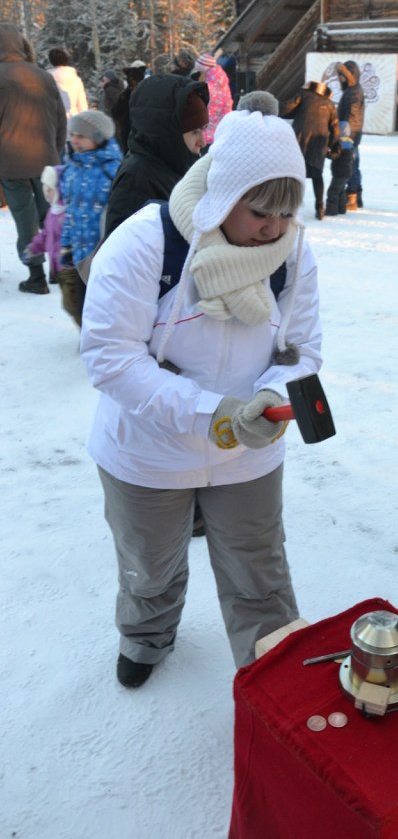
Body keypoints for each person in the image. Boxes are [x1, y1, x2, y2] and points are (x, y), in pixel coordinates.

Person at [80, 93, 322, 689]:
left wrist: (269, 397)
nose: (274, 229)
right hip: (148, 453)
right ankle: (146, 634)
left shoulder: (292, 253)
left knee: (259, 572)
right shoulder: (146, 243)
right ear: (221, 195)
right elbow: (111, 358)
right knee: (151, 565)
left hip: (249, 453)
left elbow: (303, 349)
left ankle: (273, 680)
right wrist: (216, 412)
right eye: (259, 212)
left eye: (285, 214)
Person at [0, 22, 67, 294]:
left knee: (24, 218)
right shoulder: (43, 76)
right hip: (45, 158)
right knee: (49, 214)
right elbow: (61, 121)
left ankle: (36, 276)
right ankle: (56, 269)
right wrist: (57, 152)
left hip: (10, 161)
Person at [103, 72, 209, 239]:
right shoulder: (136, 180)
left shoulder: (176, 163)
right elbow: (117, 254)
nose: (203, 141)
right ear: (168, 133)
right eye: (194, 132)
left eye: (204, 129)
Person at [57, 111, 122, 327]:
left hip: (103, 251)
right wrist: (65, 245)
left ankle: (103, 337)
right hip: (78, 251)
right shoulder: (72, 167)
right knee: (74, 302)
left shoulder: (111, 169)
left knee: (102, 303)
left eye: (81, 136)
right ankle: (89, 333)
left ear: (98, 137)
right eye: (72, 134)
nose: (74, 140)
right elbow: (69, 211)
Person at [280, 81, 340, 220]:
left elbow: (286, 108)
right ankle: (320, 207)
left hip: (299, 140)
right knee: (317, 175)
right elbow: (335, 129)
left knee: (294, 173)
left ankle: (290, 206)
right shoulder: (330, 105)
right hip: (319, 144)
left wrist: (273, 109)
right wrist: (333, 146)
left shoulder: (304, 95)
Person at [23, 164, 65, 284]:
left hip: (71, 271)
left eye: (50, 189)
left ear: (60, 189)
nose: (46, 193)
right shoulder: (53, 212)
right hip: (59, 271)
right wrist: (33, 248)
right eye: (44, 189)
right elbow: (47, 234)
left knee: (74, 301)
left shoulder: (67, 215)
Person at [336, 61, 365, 209]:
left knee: (350, 166)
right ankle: (357, 197)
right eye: (339, 76)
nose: (341, 78)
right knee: (354, 165)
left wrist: (343, 134)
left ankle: (352, 198)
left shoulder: (353, 91)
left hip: (350, 134)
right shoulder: (353, 90)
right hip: (353, 132)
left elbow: (351, 115)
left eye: (343, 75)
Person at [193, 52, 233, 146]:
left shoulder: (211, 87)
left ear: (204, 68)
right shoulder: (219, 79)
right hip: (221, 132)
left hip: (210, 136)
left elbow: (209, 113)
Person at [112, 60, 147, 154]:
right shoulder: (145, 91)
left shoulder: (127, 94)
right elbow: (116, 112)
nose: (134, 82)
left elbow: (116, 112)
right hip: (131, 131)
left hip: (132, 131)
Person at [47, 48, 88, 118]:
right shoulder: (76, 80)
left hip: (55, 119)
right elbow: (82, 104)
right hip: (74, 119)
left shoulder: (47, 79)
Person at [325, 121, 354, 216]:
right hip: (347, 172)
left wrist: (326, 153)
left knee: (332, 191)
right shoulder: (349, 142)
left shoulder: (339, 143)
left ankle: (331, 211)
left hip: (339, 172)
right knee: (341, 190)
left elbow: (335, 155)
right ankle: (342, 209)